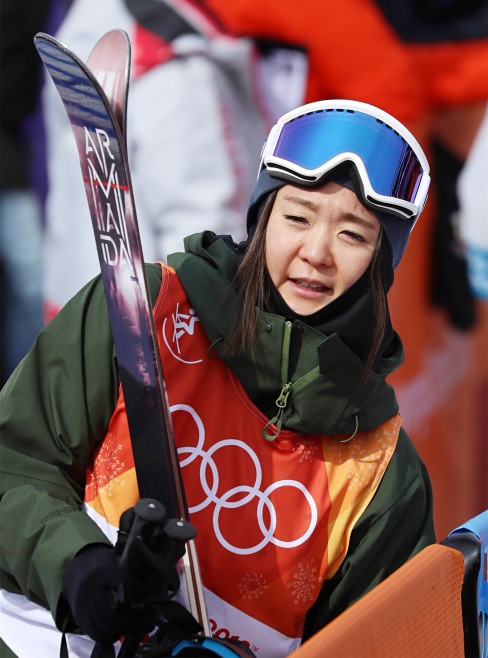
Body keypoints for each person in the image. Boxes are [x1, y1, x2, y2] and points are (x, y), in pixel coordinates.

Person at [0, 99, 435, 658]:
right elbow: (15, 463)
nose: (316, 253)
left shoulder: (380, 471)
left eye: (353, 235)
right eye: (297, 216)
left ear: (381, 261)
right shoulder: (143, 315)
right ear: (261, 219)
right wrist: (76, 564)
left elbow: (380, 644)